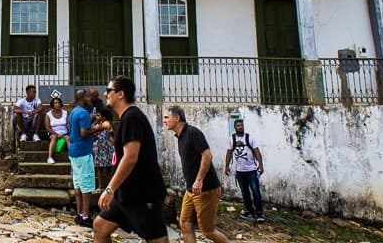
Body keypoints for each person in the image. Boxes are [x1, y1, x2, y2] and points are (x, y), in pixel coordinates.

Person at [94, 76, 169, 243]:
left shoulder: (132, 117)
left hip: (142, 193)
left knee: (158, 240)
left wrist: (109, 189)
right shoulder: (126, 118)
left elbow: (130, 157)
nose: (105, 94)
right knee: (100, 226)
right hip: (125, 194)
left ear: (120, 94)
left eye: (109, 91)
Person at [163, 105, 230, 243]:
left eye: (166, 117)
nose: (164, 121)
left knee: (208, 231)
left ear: (176, 118)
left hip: (205, 189)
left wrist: (199, 180)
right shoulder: (180, 136)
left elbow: (207, 155)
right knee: (185, 224)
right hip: (191, 190)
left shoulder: (192, 133)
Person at [224, 119, 265, 222]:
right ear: (235, 127)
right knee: (245, 193)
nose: (240, 127)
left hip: (251, 170)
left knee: (255, 191)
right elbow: (229, 153)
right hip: (240, 171)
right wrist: (227, 166)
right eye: (238, 126)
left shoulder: (249, 138)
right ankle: (250, 212)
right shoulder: (231, 139)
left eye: (241, 125)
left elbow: (257, 151)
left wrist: (260, 165)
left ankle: (259, 213)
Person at [68, 89, 95, 228]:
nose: (90, 99)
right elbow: (84, 133)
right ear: (83, 98)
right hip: (83, 152)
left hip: (73, 151)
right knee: (86, 185)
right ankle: (85, 216)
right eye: (88, 97)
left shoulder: (73, 111)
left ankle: (79, 214)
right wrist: (98, 128)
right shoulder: (84, 113)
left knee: (78, 184)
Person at [93, 107, 114, 190]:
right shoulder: (97, 124)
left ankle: (109, 186)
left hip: (106, 148)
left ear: (103, 117)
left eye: (98, 115)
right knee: (98, 168)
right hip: (98, 149)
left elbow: (111, 134)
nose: (96, 117)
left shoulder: (106, 124)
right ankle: (100, 186)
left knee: (106, 168)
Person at [44, 96, 69, 164]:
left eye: (58, 103)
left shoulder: (65, 113)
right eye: (55, 103)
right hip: (53, 133)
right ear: (52, 105)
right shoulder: (48, 115)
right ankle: (50, 157)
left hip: (65, 133)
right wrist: (56, 134)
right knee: (54, 137)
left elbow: (68, 124)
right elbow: (47, 127)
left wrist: (66, 133)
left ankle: (72, 156)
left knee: (68, 138)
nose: (57, 104)